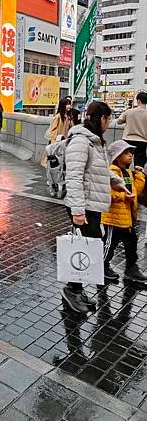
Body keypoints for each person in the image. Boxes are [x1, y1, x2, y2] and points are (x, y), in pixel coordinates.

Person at [63, 102, 114, 312]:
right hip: (82, 205)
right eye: (108, 119)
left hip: (91, 204)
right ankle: (72, 290)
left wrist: (117, 182)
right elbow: (73, 177)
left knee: (89, 247)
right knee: (85, 248)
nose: (109, 123)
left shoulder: (95, 141)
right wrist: (77, 211)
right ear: (100, 118)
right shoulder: (81, 141)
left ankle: (77, 289)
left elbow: (98, 171)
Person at [101, 140, 147, 283]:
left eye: (131, 153)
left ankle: (131, 268)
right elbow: (107, 193)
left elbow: (136, 192)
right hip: (113, 218)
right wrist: (123, 197)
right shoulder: (112, 171)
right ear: (117, 156)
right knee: (109, 245)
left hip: (127, 218)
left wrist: (139, 176)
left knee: (132, 243)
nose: (130, 156)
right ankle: (102, 267)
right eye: (126, 153)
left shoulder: (128, 172)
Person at [117, 91, 147, 167]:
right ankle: (139, 177)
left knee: (125, 162)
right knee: (139, 165)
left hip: (128, 139)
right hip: (142, 141)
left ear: (138, 101)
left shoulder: (129, 112)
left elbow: (119, 122)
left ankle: (125, 176)